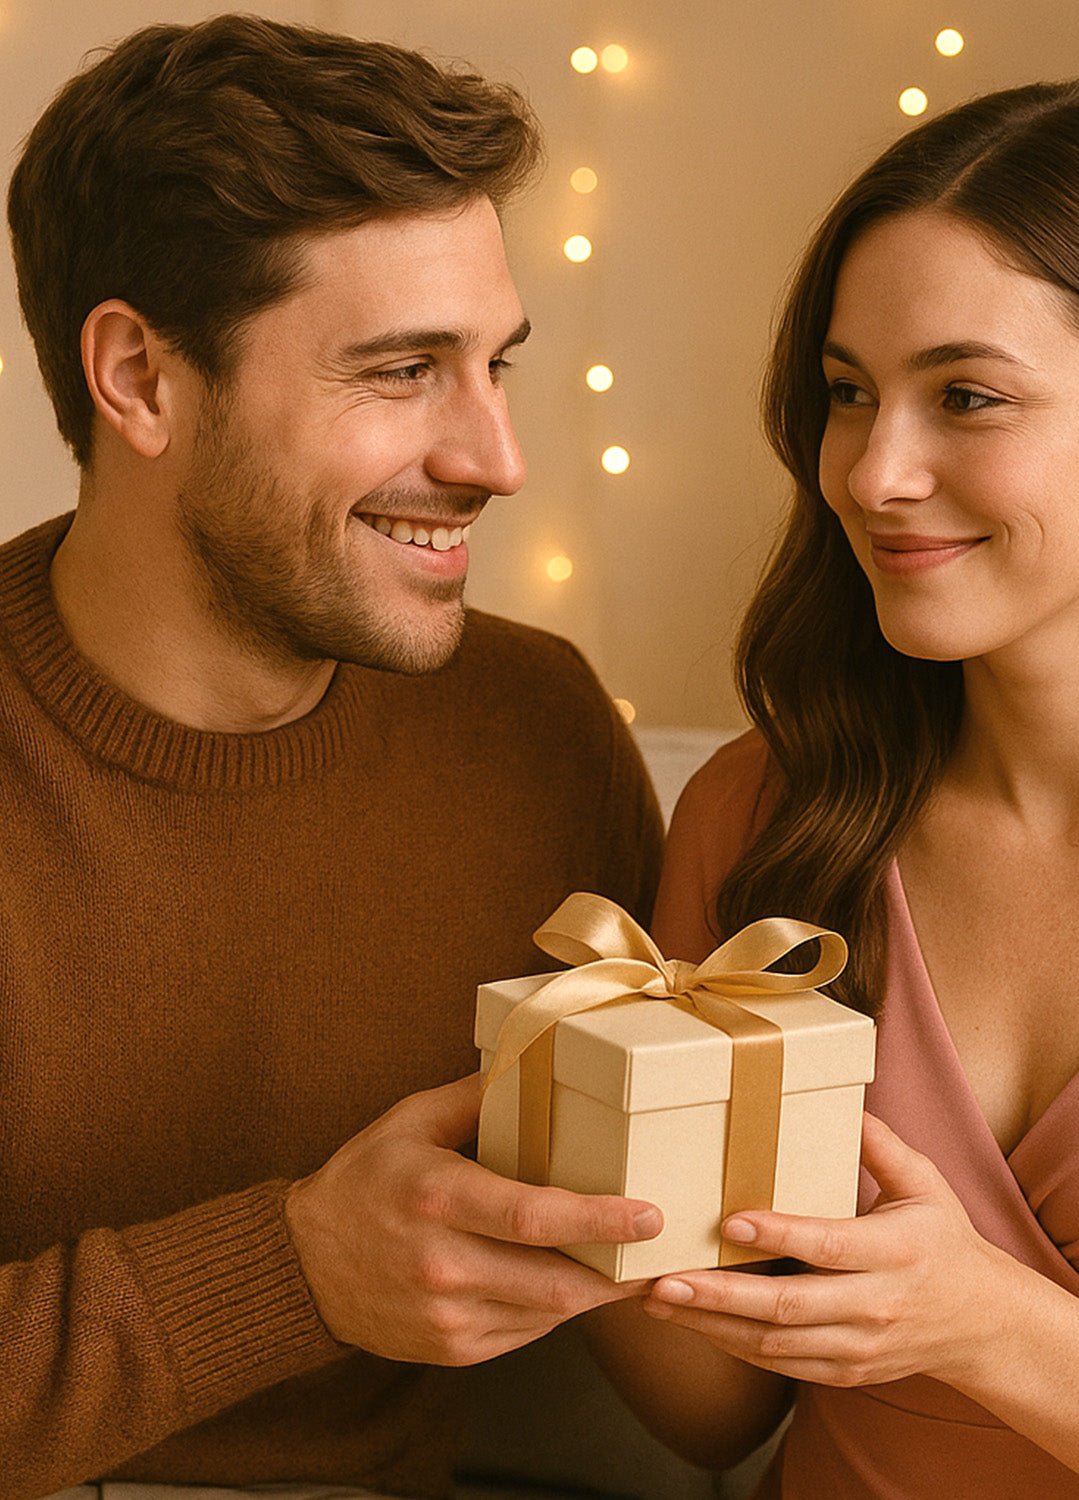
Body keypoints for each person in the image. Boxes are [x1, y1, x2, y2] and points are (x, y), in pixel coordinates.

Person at [0, 16, 666, 1500]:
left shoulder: (537, 729)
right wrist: (289, 1268)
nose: (495, 456)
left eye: (494, 362)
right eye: (402, 369)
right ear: (142, 379)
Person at [588, 79, 1079, 1498]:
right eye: (849, 393)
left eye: (967, 396)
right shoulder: (765, 814)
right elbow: (712, 1413)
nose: (874, 471)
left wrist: (991, 1326)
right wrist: (579, 1173)